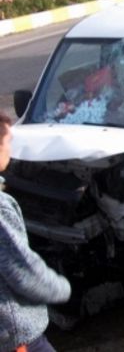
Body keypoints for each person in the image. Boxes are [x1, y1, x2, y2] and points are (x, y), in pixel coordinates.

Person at [1, 111, 72, 352]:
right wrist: (60, 288)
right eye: (8, 142)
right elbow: (20, 271)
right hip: (14, 336)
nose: (11, 149)